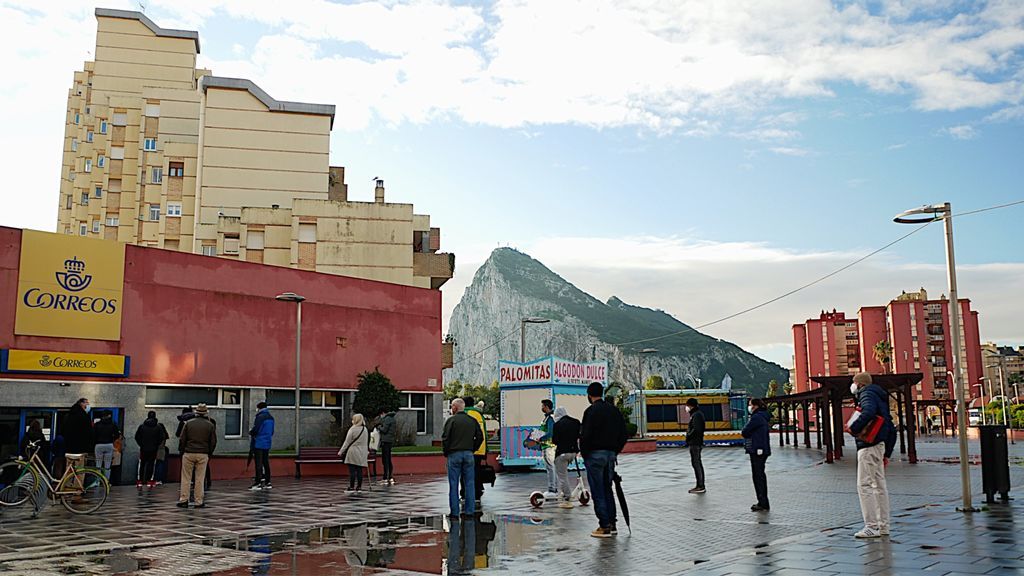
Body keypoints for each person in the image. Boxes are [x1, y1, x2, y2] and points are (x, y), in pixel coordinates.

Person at [848, 372, 898, 539]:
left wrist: (854, 428)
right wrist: (887, 453)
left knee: (864, 485)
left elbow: (867, 412)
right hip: (879, 446)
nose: (852, 386)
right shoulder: (880, 398)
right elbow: (891, 427)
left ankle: (871, 526)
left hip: (868, 445)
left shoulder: (866, 393)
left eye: (854, 382)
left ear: (860, 384)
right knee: (879, 486)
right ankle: (883, 525)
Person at [580, 382, 628, 538]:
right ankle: (612, 523)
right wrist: (615, 451)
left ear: (589, 395)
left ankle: (604, 525)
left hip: (595, 455)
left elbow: (585, 435)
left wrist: (585, 453)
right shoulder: (614, 411)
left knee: (598, 490)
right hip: (610, 455)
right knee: (608, 489)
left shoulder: (590, 412)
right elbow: (623, 433)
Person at [442, 398, 483, 518]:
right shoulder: (472, 420)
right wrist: (472, 449)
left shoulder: (451, 421)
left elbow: (445, 438)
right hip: (469, 454)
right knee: (470, 483)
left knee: (453, 484)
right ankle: (470, 512)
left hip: (454, 455)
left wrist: (447, 452)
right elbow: (480, 437)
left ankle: (454, 513)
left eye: (451, 406)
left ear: (455, 407)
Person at [177, 403, 216, 508]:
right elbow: (213, 441)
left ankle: (183, 499)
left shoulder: (188, 423)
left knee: (186, 477)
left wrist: (182, 451)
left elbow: (182, 439)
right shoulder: (210, 425)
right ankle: (198, 501)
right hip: (203, 454)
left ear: (196, 412)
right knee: (200, 478)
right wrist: (209, 452)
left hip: (188, 452)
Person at [552, 406, 589, 509]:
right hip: (573, 453)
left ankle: (567, 498)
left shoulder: (557, 425)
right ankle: (567, 492)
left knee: (562, 476)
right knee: (565, 473)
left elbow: (555, 440)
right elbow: (579, 435)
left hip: (562, 453)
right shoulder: (575, 422)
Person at [741, 398, 772, 512]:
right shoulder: (763, 416)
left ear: (755, 406)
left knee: (758, 476)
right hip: (762, 450)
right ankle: (763, 501)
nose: (749, 407)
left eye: (750, 405)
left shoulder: (756, 417)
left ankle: (762, 502)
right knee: (760, 475)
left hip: (757, 450)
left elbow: (745, 431)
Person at [463, 395, 487, 507]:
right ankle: (477, 493)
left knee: (464, 473)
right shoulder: (478, 414)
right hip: (480, 449)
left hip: (467, 449)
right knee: (476, 472)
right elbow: (483, 434)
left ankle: (465, 494)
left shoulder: (464, 414)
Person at [135, 411, 169, 489]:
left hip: (143, 448)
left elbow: (137, 437)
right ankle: (149, 481)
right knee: (151, 465)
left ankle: (140, 481)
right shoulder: (158, 427)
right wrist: (156, 445)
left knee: (142, 464)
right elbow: (161, 438)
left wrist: (141, 444)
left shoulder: (142, 426)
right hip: (153, 449)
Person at [340, 413, 369, 492]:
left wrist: (341, 451)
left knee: (352, 470)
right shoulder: (365, 429)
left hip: (353, 451)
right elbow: (366, 442)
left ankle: (351, 486)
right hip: (362, 452)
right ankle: (359, 486)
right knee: (359, 470)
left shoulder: (352, 429)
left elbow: (347, 442)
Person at [249, 402, 275, 491]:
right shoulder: (271, 417)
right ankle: (268, 482)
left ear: (259, 408)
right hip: (267, 442)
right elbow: (272, 431)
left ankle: (258, 482)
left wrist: (251, 432)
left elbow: (256, 429)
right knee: (266, 462)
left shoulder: (260, 417)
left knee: (258, 463)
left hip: (259, 442)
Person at [63, 398, 94, 471]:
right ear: (81, 404)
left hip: (69, 448)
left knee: (68, 471)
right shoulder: (84, 416)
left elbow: (63, 430)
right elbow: (89, 433)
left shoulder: (68, 415)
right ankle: (77, 483)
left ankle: (67, 482)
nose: (88, 405)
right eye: (87, 403)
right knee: (80, 471)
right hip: (80, 448)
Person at [686, 397, 706, 494]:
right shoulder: (696, 414)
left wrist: (688, 436)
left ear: (691, 405)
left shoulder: (696, 415)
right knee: (696, 463)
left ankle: (700, 485)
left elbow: (696, 429)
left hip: (695, 442)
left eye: (687, 406)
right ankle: (699, 484)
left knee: (696, 463)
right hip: (695, 442)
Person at [92, 410, 120, 480]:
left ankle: (97, 481)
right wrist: (112, 439)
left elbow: (93, 435)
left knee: (98, 464)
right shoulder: (113, 424)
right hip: (109, 445)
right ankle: (106, 481)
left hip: (98, 445)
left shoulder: (97, 424)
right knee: (107, 466)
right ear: (109, 416)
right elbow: (117, 435)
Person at [538, 399, 558, 497]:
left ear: (546, 407)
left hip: (548, 446)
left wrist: (540, 438)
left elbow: (550, 433)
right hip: (547, 446)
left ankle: (552, 489)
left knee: (550, 468)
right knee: (551, 468)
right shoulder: (547, 418)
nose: (541, 408)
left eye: (542, 406)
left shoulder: (550, 418)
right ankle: (553, 488)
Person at [377, 408, 397, 485]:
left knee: (385, 460)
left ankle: (386, 477)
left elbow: (384, 430)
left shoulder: (387, 419)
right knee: (388, 459)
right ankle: (390, 477)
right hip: (390, 440)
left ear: (383, 413)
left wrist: (379, 427)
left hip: (386, 441)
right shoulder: (392, 418)